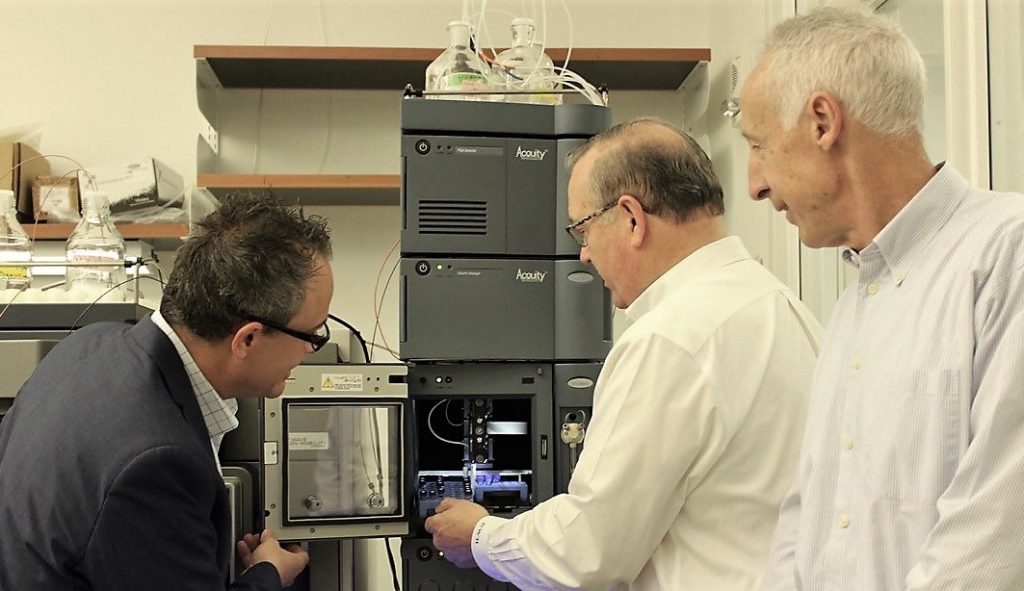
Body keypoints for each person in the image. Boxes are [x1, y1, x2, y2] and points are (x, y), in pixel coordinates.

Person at [425, 118, 822, 590]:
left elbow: (588, 554)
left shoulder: (669, 339)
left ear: (632, 218)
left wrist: (481, 536)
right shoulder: (789, 310)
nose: (584, 256)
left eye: (582, 230)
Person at [741, 5, 1024, 590]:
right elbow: (808, 520)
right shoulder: (856, 303)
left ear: (823, 122)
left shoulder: (1005, 254)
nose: (754, 184)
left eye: (760, 145)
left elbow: (991, 544)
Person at [0, 193, 332, 590]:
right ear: (247, 340)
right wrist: (268, 574)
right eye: (311, 334)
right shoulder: (155, 462)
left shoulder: (89, 344)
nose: (311, 349)